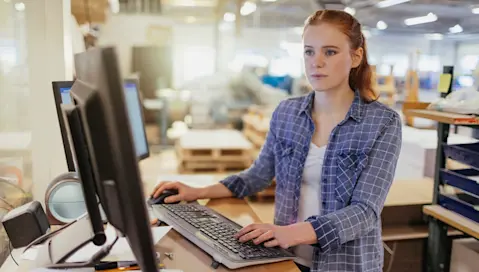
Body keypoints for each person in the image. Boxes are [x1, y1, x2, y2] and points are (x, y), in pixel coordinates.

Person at [151, 9, 402, 272]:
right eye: (309, 51)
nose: (316, 62)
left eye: (330, 52)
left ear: (355, 56)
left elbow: (365, 212)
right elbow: (257, 176)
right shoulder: (287, 113)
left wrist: (290, 233)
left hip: (344, 265)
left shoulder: (382, 123)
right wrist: (198, 192)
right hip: (286, 259)